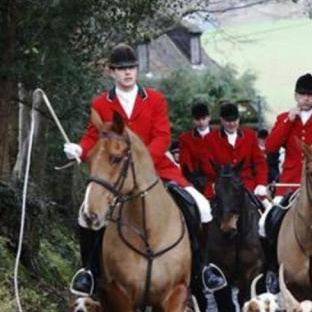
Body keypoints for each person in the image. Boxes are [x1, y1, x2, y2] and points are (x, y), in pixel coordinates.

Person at [63, 44, 225, 297]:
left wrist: (143, 162)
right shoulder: (101, 103)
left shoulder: (156, 99)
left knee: (202, 207)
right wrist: (79, 150)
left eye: (131, 68)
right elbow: (93, 136)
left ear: (136, 69)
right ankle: (89, 272)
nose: (128, 73)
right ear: (111, 72)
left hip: (157, 166)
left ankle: (202, 269)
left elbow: (162, 135)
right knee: (86, 212)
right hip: (115, 172)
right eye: (121, 69)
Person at [260, 74, 312, 289]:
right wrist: (289, 120)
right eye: (302, 95)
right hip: (290, 183)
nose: (306, 99)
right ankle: (271, 269)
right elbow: (271, 147)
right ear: (296, 95)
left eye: (310, 95)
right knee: (266, 222)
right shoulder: (284, 118)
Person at [202, 102, 269, 200]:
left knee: (268, 210)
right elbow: (207, 165)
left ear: (239, 119)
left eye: (235, 120)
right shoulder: (210, 139)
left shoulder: (250, 136)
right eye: (228, 121)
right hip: (220, 186)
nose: (232, 124)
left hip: (247, 186)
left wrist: (261, 183)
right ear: (221, 120)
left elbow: (259, 163)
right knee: (205, 212)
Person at [179, 102, 213, 193]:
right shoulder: (185, 138)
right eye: (197, 119)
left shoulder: (219, 136)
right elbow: (185, 162)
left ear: (209, 118)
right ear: (193, 120)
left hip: (217, 180)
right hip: (195, 181)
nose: (201, 122)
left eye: (203, 119)